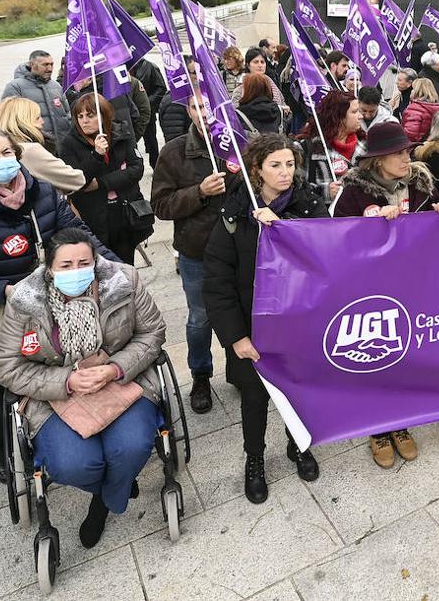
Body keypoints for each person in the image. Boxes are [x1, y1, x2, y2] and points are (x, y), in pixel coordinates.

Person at [0, 126, 113, 485]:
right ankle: (3, 454)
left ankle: (61, 437)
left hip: (50, 308)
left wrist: (114, 269)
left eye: (7, 153)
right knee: (0, 388)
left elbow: (80, 238)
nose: (3, 162)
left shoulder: (43, 193)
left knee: (54, 371)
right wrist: (4, 291)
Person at [0, 227, 164, 549]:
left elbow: (152, 333)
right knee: (72, 463)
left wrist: (115, 368)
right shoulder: (25, 300)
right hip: (54, 395)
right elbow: (7, 367)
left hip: (121, 381)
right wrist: (66, 381)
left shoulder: (123, 281)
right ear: (49, 268)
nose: (77, 272)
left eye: (84, 263)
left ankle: (102, 503)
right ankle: (114, 487)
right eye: (66, 266)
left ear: (95, 260)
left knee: (131, 448)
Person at [204, 134, 323, 503]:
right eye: (276, 165)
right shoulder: (235, 213)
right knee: (255, 398)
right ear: (257, 170)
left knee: (297, 390)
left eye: (290, 164)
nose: (285, 172)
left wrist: (285, 231)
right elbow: (218, 280)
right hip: (252, 326)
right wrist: (235, 336)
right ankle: (254, 459)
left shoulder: (308, 206)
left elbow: (326, 255)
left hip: (298, 324)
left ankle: (297, 444)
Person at [333, 123, 439, 467]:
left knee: (404, 353)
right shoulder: (355, 193)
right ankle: (376, 427)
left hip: (411, 284)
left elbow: (433, 216)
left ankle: (400, 422)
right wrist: (371, 227)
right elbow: (338, 240)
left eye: (407, 151)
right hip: (370, 290)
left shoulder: (419, 184)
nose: (407, 157)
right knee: (377, 355)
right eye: (399, 153)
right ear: (377, 159)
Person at [151, 92, 233, 414]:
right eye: (197, 107)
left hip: (234, 248)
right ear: (188, 110)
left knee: (238, 313)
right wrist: (198, 192)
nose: (204, 113)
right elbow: (161, 205)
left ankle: (239, 370)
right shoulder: (173, 152)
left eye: (210, 107)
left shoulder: (234, 145)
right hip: (196, 251)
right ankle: (200, 374)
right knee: (200, 318)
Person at [59, 94, 147, 266]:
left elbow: (136, 169)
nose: (84, 121)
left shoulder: (121, 133)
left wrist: (101, 183)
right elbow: (78, 181)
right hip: (94, 217)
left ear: (104, 116)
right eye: (80, 116)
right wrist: (96, 156)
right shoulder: (69, 143)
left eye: (90, 115)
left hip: (124, 213)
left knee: (125, 266)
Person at [0, 97, 87, 194]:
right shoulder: (28, 150)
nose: (42, 121)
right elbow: (76, 179)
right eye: (37, 118)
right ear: (24, 121)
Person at [298, 90, 363, 209]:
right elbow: (296, 190)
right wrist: (325, 192)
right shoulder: (306, 149)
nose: (361, 116)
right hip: (324, 222)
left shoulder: (367, 147)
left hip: (360, 221)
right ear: (338, 116)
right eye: (354, 112)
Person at [2, 50, 73, 148]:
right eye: (45, 65)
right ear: (32, 65)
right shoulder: (15, 87)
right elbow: (10, 121)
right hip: (35, 147)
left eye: (51, 64)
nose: (50, 68)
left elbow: (67, 114)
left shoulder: (56, 86)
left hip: (62, 146)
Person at [129, 57, 167, 168]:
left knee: (151, 140)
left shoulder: (150, 67)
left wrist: (146, 102)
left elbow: (161, 89)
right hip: (129, 114)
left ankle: (156, 166)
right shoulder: (120, 68)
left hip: (146, 112)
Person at [401, 78, 439, 142]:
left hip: (415, 147)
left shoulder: (415, 109)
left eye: (413, 89)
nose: (411, 91)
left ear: (417, 91)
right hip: (430, 146)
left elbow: (410, 135)